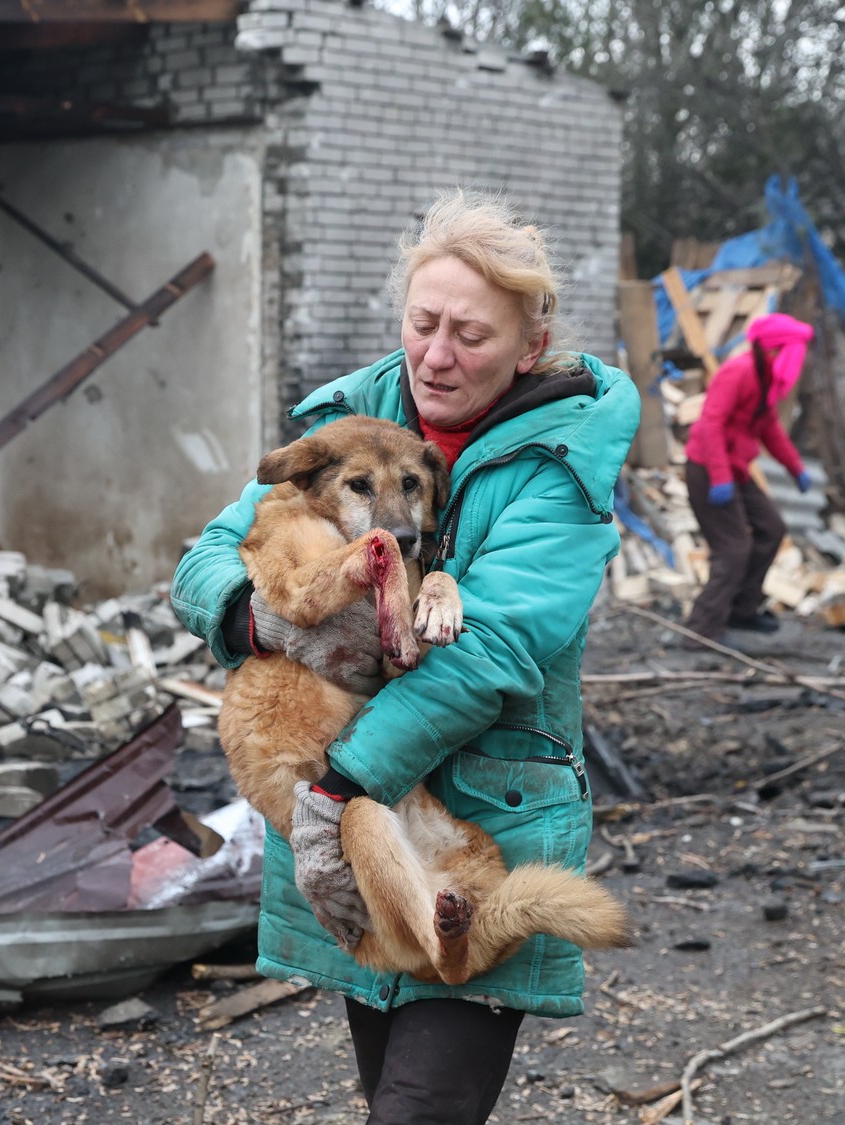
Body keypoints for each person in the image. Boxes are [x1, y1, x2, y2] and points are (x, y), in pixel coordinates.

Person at [172, 192, 640, 1125]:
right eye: (423, 323)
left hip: (475, 813)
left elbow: (494, 652)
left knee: (417, 1109)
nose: (436, 353)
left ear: (529, 341)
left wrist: (342, 785)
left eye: (470, 333)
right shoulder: (347, 418)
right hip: (343, 819)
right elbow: (204, 562)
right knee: (388, 1086)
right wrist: (268, 625)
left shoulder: (562, 459)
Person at [680, 312, 818, 643]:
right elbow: (710, 424)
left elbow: (768, 427)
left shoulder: (764, 378)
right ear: (774, 350)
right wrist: (719, 477)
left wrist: (795, 467)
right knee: (733, 549)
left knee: (772, 529)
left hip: (736, 469)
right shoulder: (738, 372)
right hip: (708, 469)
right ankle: (701, 630)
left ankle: (742, 612)